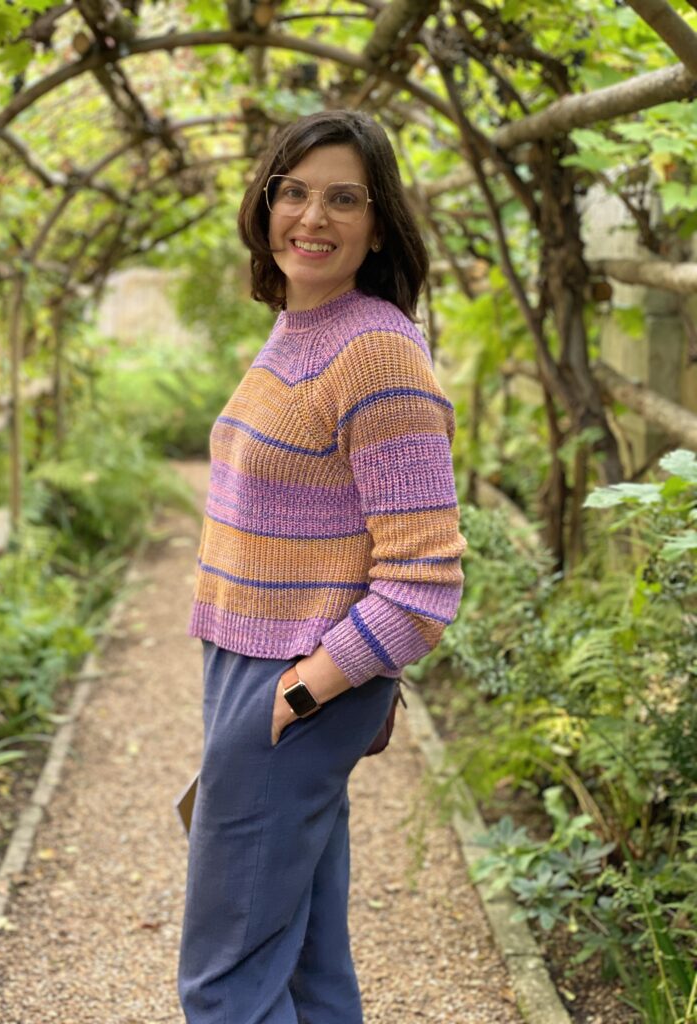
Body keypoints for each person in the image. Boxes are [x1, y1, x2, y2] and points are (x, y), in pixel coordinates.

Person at [178, 109, 466, 1024]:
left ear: (379, 224)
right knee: (302, 961)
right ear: (265, 204)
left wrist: (298, 696)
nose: (314, 216)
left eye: (346, 198)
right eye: (294, 192)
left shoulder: (374, 349)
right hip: (251, 669)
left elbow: (424, 586)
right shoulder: (302, 326)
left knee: (224, 982)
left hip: (294, 684)